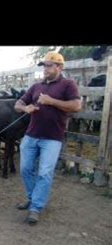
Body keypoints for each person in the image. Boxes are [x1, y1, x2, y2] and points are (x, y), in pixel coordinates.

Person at [14, 52, 81, 225]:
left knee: (44, 173)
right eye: (44, 65)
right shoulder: (36, 86)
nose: (45, 69)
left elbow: (76, 105)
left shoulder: (68, 84)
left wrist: (52, 101)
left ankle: (35, 208)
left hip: (52, 138)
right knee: (25, 169)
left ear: (59, 67)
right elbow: (17, 104)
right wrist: (25, 108)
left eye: (49, 65)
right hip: (31, 135)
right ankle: (32, 198)